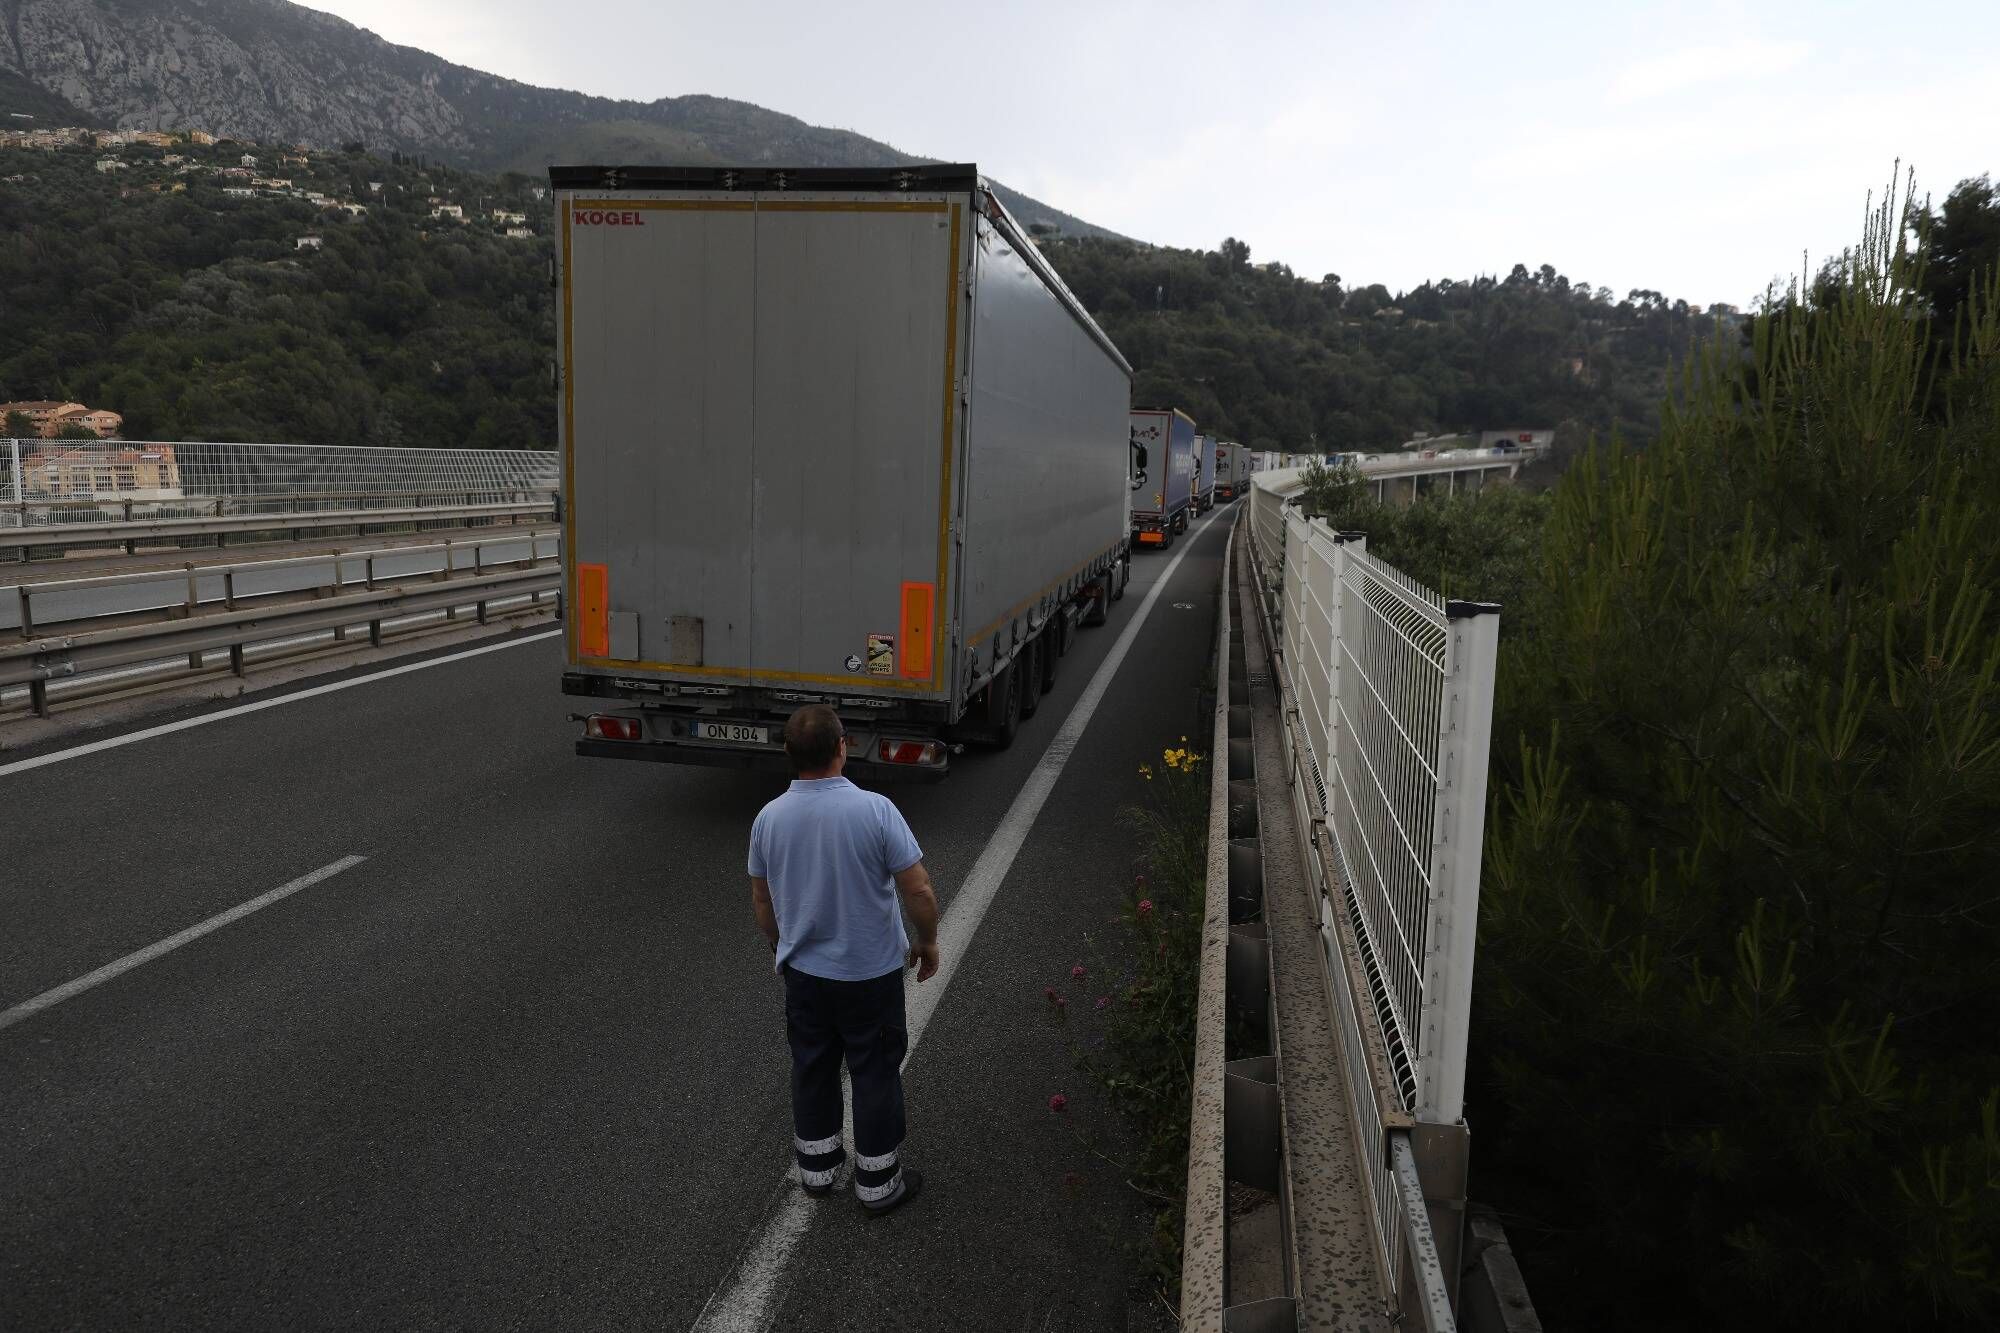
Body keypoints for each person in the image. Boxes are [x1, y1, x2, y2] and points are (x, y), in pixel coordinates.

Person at [748, 704, 940, 1215]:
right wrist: (928, 939)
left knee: (812, 1065)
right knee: (873, 1069)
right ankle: (877, 1182)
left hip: (804, 974)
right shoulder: (875, 810)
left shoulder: (768, 818)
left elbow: (763, 902)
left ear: (788, 753)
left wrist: (778, 946)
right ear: (843, 747)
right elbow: (917, 888)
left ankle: (817, 1169)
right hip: (867, 973)